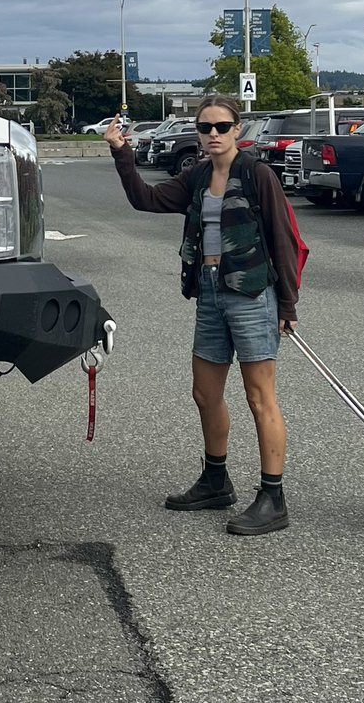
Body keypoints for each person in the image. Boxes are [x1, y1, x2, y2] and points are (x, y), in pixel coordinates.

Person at [104, 95, 299, 535]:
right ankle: (216, 481)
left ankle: (273, 497)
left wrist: (287, 305)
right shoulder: (195, 176)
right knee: (205, 394)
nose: (213, 134)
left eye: (222, 126)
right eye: (205, 127)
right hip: (210, 293)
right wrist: (121, 152)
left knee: (259, 397)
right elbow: (145, 199)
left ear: (238, 129)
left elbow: (282, 239)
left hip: (251, 294)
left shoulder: (257, 175)